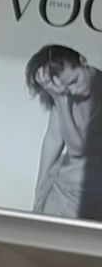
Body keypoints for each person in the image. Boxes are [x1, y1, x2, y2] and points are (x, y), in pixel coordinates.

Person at [27, 45, 102, 220]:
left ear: (83, 62)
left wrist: (61, 100)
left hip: (91, 196)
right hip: (64, 190)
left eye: (74, 81)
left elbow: (77, 149)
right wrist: (39, 191)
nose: (73, 91)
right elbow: (53, 138)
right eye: (65, 89)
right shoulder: (63, 92)